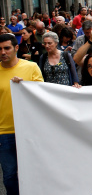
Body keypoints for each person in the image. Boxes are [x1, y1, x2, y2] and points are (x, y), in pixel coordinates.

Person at [0, 33, 43, 195]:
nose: (3, 52)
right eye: (0, 49)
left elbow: (42, 94)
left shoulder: (31, 67)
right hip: (4, 132)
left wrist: (26, 86)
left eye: (7, 48)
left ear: (16, 48)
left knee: (33, 172)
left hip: (28, 130)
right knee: (9, 176)